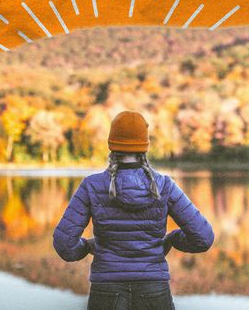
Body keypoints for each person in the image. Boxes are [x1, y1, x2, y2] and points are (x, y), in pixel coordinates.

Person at [52, 110, 215, 310]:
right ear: (144, 148)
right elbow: (204, 238)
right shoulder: (165, 186)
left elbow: (64, 244)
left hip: (106, 292)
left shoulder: (92, 186)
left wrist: (87, 247)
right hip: (154, 290)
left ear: (112, 145)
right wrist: (171, 239)